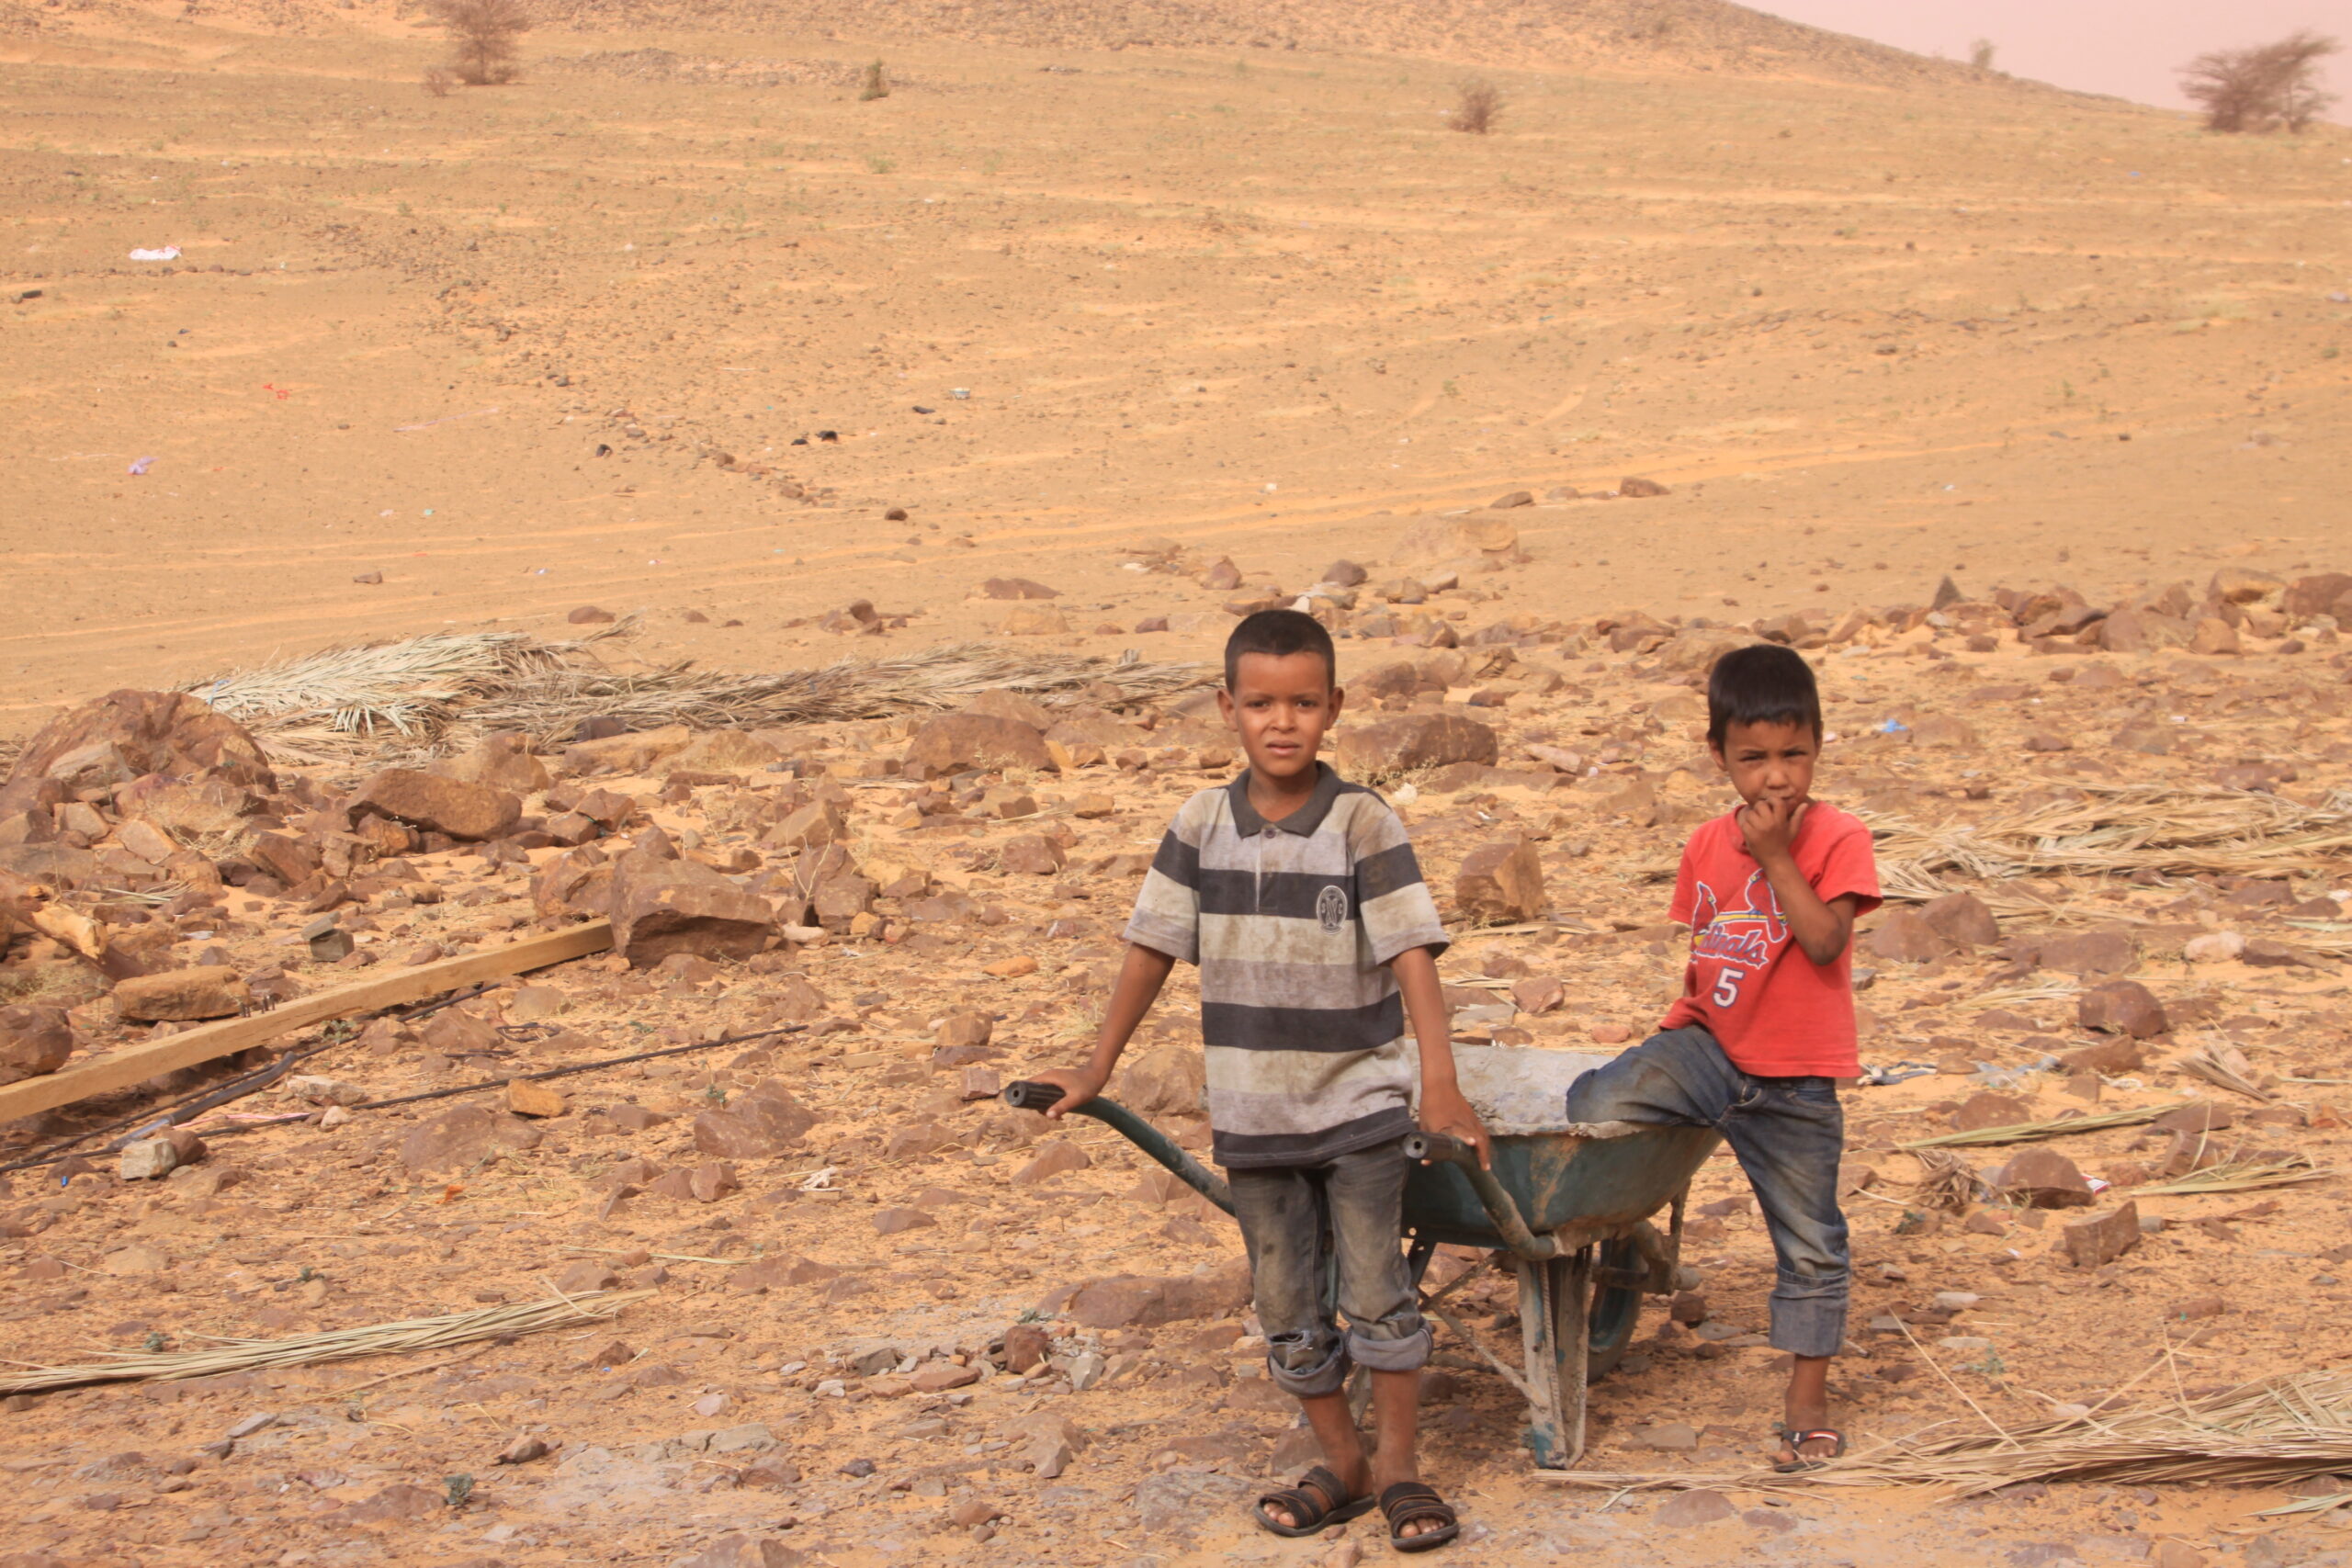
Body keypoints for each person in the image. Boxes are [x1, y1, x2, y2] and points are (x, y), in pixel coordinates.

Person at [1032, 608, 1487, 1552]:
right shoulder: (1200, 825)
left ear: (1335, 708)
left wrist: (1439, 1085)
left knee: (1377, 1292)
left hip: (1359, 1104)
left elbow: (1411, 954)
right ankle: (1344, 1462)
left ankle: (1399, 1466)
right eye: (1261, 704)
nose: (1283, 723)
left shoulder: (1361, 821)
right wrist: (1095, 1066)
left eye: (1304, 704)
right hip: (1254, 1114)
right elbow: (1152, 948)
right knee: (1285, 1305)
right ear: (1227, 707)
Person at [1563, 642, 1880, 1472]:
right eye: (1753, 759)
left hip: (1796, 1075)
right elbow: (1709, 956)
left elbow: (1824, 941)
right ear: (1718, 755)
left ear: (1819, 745)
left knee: (1811, 1238)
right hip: (1710, 1050)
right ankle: (1623, 1231)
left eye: (1794, 755)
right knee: (1591, 1108)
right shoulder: (1705, 844)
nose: (1776, 777)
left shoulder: (1839, 837)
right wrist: (1673, 1034)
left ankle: (1806, 1402)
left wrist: (1776, 856)